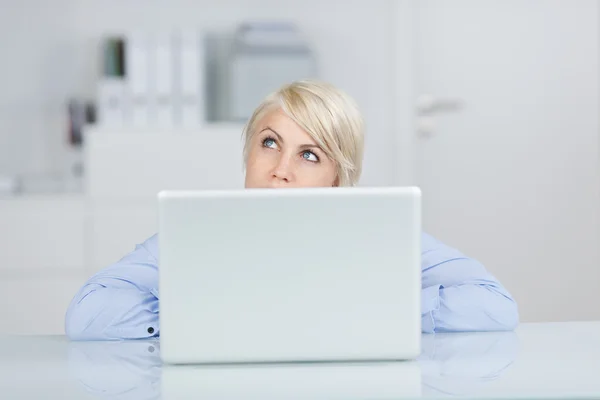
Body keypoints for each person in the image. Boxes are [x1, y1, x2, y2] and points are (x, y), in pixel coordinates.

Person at [65, 80, 519, 340]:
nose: (281, 169)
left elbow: (494, 307)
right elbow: (89, 314)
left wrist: (358, 309)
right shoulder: (197, 234)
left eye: (309, 155)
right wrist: (216, 314)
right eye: (269, 143)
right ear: (247, 154)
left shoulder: (378, 234)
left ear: (338, 179)